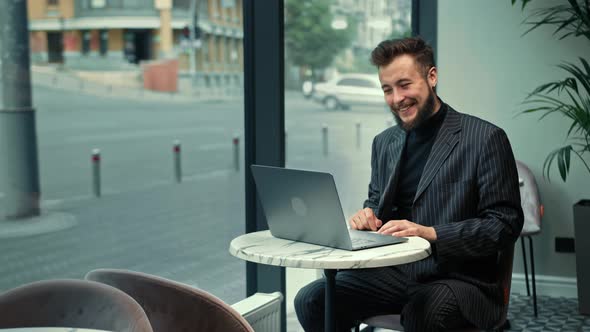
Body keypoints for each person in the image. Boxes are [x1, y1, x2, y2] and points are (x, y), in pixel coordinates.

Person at [294, 37, 524, 332]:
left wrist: (431, 233)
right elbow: (376, 202)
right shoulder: (384, 143)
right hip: (394, 272)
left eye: (404, 85)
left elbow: (504, 224)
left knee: (425, 312)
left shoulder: (486, 139)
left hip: (459, 279)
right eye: (387, 89)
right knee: (312, 299)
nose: (396, 98)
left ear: (432, 77)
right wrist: (367, 216)